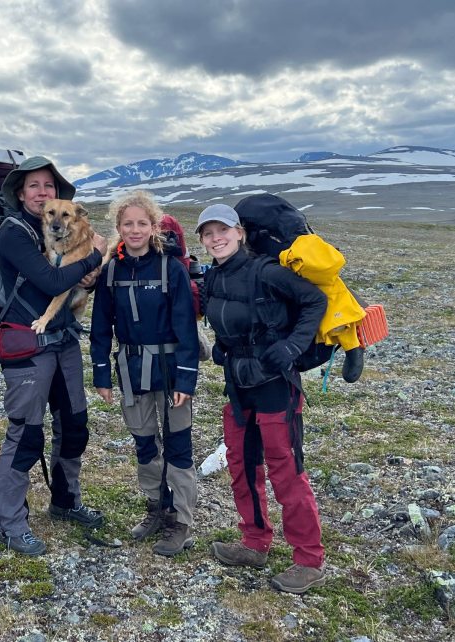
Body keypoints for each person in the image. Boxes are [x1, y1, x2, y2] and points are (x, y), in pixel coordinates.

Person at [197, 203, 328, 594]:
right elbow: (229, 320)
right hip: (239, 386)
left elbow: (314, 302)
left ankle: (308, 558)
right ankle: (254, 542)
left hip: (275, 384)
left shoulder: (267, 271)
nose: (216, 238)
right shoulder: (214, 278)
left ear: (240, 233)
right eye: (208, 233)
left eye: (223, 230)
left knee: (284, 468)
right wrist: (224, 347)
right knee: (241, 463)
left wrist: (292, 346)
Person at [0, 156, 107, 556]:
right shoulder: (14, 233)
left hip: (63, 339)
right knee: (26, 432)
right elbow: (51, 281)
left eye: (49, 187)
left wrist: (90, 271)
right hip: (27, 344)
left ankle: (65, 501)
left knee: (74, 423)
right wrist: (95, 257)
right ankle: (10, 524)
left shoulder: (56, 231)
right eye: (34, 187)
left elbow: (73, 286)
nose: (42, 194)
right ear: (21, 193)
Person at [89, 191, 200, 556]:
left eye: (141, 223)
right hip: (131, 368)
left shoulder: (172, 269)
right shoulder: (111, 272)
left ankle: (180, 520)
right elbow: (101, 327)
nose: (134, 230)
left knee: (178, 445)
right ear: (118, 228)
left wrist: (186, 379)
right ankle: (156, 506)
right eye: (127, 224)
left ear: (154, 227)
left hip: (170, 372)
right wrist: (102, 375)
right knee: (144, 443)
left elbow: (186, 328)